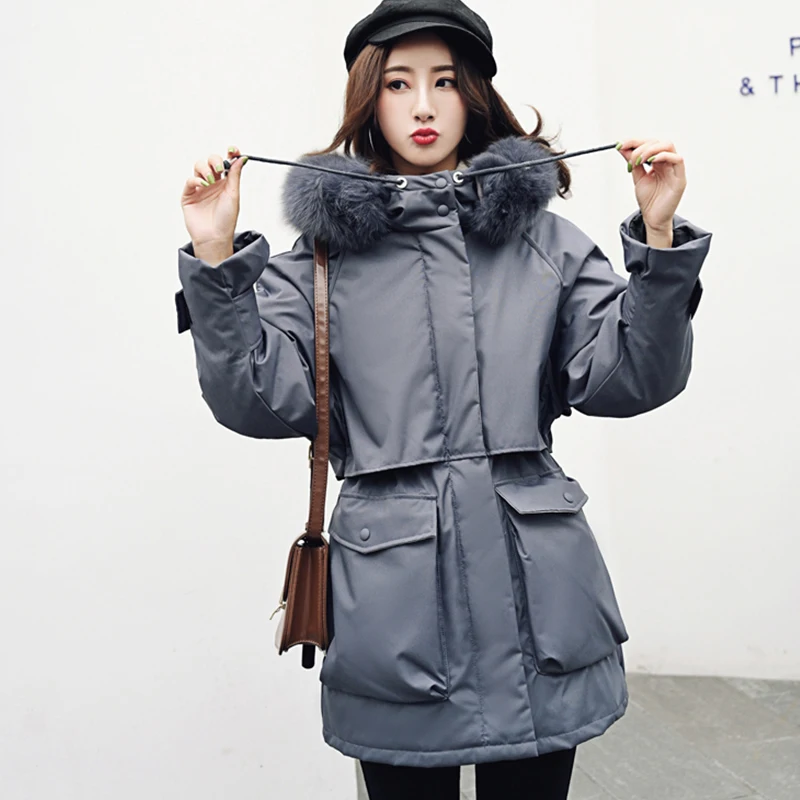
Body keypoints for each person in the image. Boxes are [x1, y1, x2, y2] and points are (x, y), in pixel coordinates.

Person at [175, 1, 712, 797]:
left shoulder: (545, 244)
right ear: (369, 99)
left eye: (444, 82)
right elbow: (253, 398)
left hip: (541, 619)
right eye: (398, 83)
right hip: (398, 627)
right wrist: (216, 253)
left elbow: (632, 377)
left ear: (474, 94)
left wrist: (659, 241)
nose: (422, 105)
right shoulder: (322, 261)